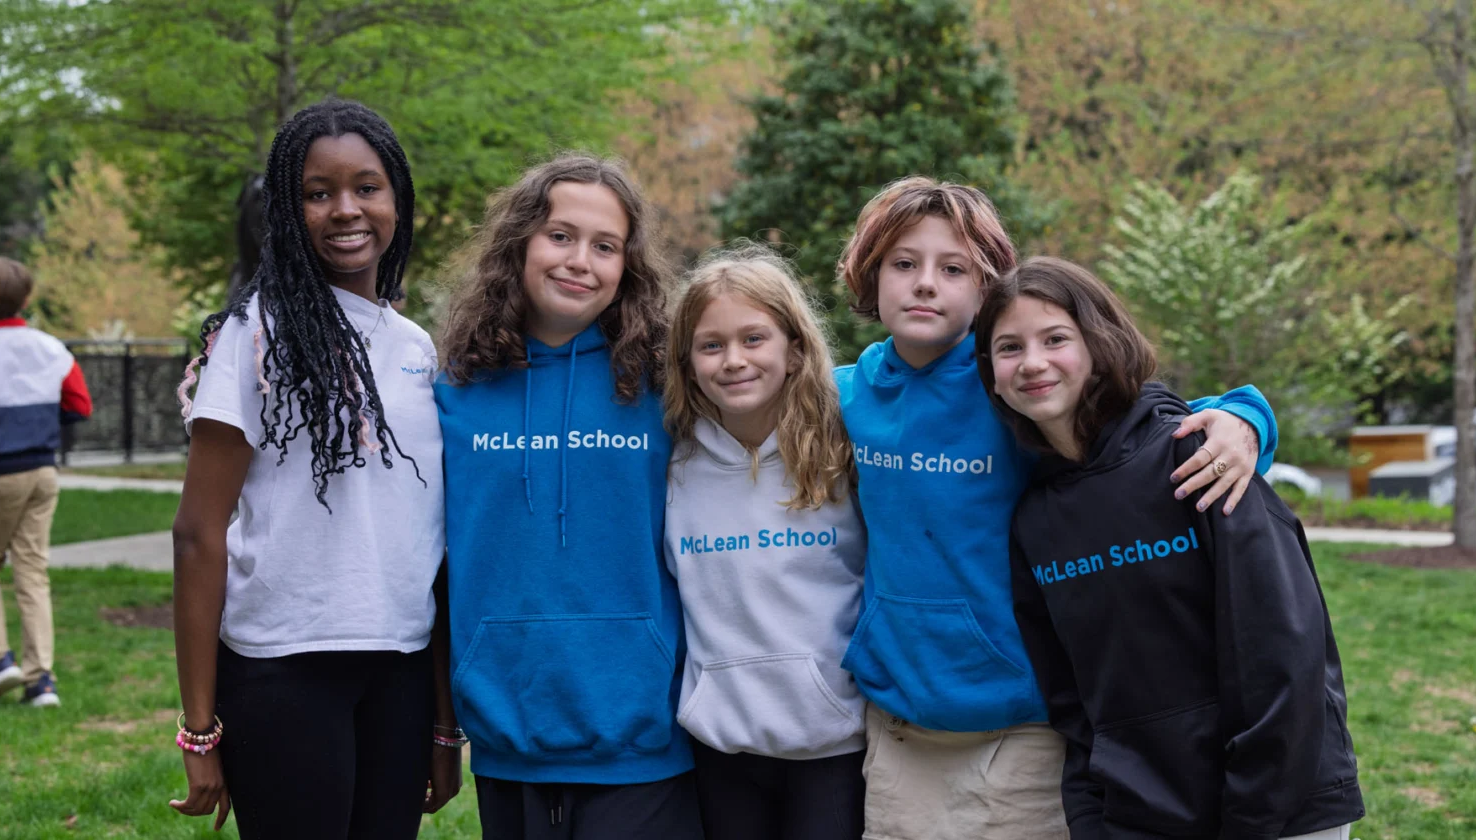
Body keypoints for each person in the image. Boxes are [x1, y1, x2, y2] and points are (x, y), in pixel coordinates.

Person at [832, 177, 1279, 840]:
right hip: (899, 729)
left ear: (987, 289)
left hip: (1021, 728)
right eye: (903, 263)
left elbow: (1138, 421)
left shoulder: (1014, 384)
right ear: (870, 274)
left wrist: (1245, 418)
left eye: (953, 269)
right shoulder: (844, 396)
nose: (925, 284)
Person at [980, 256, 1364, 840]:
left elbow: (1284, 658)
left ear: (1099, 344)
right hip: (1142, 816)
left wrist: (1252, 819)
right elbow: (1072, 700)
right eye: (1010, 348)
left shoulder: (1200, 457)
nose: (1033, 362)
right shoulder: (1035, 519)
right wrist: (1090, 814)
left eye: (1055, 339)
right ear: (991, 374)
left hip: (1279, 808)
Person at [168, 99, 459, 838]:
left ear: (398, 199)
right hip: (282, 669)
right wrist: (198, 729)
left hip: (400, 668)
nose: (345, 210)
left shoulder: (417, 348)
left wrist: (443, 723)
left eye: (367, 187)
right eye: (317, 193)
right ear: (286, 212)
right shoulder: (253, 337)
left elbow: (433, 544)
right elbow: (198, 533)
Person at [435, 152, 702, 840]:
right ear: (519, 243)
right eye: (560, 236)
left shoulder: (667, 387)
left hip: (642, 738)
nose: (580, 261)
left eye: (605, 246)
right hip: (507, 729)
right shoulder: (454, 390)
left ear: (627, 266)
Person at [662, 245, 867, 839]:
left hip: (833, 745)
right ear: (688, 362)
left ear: (794, 349)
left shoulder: (844, 449)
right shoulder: (672, 463)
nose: (734, 360)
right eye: (711, 345)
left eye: (754, 339)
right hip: (721, 746)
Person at [0, 257, 92, 706]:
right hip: (43, 471)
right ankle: (40, 679)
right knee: (32, 569)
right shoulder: (52, 348)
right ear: (28, 298)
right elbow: (80, 405)